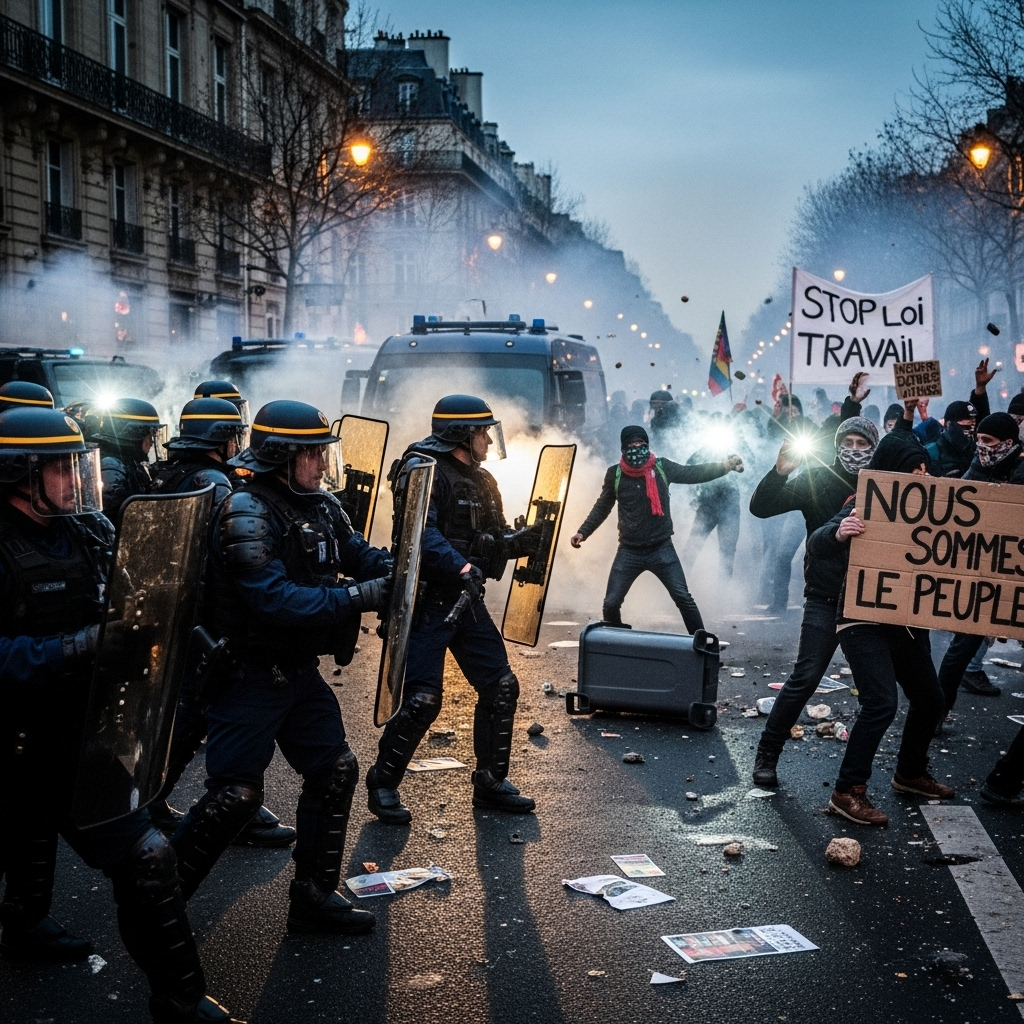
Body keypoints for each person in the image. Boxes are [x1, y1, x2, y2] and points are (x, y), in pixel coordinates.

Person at [0, 406, 239, 1022]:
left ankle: (180, 1001)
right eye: (60, 467)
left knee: (148, 858)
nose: (77, 478)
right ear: (20, 474)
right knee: (24, 834)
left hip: (80, 733)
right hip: (13, 740)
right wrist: (74, 645)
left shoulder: (83, 529)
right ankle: (23, 926)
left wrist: (177, 631)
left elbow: (137, 586)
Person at [171, 401, 391, 935]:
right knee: (235, 796)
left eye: (323, 452)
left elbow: (361, 555)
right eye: (312, 453)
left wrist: (400, 569)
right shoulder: (246, 510)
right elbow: (274, 600)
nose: (321, 464)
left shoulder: (320, 506)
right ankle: (158, 902)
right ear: (281, 456)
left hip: (297, 673)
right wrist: (361, 596)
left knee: (335, 770)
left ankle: (312, 896)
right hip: (248, 675)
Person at [365, 396, 544, 826]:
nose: (487, 439)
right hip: (427, 603)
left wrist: (522, 541)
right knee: (423, 700)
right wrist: (462, 566)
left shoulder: (482, 481)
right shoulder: (422, 470)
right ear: (461, 434)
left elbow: (490, 539)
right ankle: (383, 782)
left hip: (465, 601)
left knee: (501, 685)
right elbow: (419, 536)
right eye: (482, 431)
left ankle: (490, 783)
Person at [147, 399, 296, 848]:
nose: (238, 443)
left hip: (180, 612)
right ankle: (230, 811)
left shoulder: (171, 474)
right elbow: (229, 554)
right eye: (233, 434)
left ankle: (149, 800)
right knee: (204, 714)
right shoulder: (214, 484)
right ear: (219, 438)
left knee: (192, 715)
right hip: (208, 616)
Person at [807, 421, 951, 826]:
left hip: (903, 621)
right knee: (881, 703)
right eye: (913, 471)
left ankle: (910, 773)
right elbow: (816, 541)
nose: (921, 477)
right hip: (861, 619)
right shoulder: (866, 500)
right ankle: (846, 792)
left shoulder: (936, 506)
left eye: (924, 470)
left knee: (930, 698)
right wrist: (840, 531)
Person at [749, 414, 879, 787]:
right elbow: (762, 507)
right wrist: (779, 471)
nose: (855, 451)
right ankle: (768, 752)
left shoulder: (887, 484)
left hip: (872, 599)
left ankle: (900, 769)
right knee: (805, 677)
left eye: (863, 444)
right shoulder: (817, 478)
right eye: (848, 444)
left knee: (880, 692)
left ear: (874, 447)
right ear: (838, 446)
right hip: (825, 594)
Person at [571, 424, 742, 632]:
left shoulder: (662, 468)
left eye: (641, 443)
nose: (636, 448)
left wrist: (725, 466)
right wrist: (583, 531)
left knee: (683, 598)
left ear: (647, 445)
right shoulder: (614, 474)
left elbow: (694, 473)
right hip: (629, 551)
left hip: (661, 548)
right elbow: (602, 507)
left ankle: (702, 648)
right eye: (632, 444)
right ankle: (617, 644)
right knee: (611, 603)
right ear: (623, 448)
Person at [934, 412, 1024, 708]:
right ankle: (936, 713)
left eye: (988, 440)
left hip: (1014, 576)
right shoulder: (978, 465)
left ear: (1008, 443)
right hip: (983, 578)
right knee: (961, 650)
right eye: (978, 439)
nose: (980, 446)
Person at [84, 397, 165, 521]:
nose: (152, 442)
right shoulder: (111, 467)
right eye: (149, 435)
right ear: (134, 434)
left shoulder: (126, 461)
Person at [920, 358, 996, 478]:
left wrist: (980, 388)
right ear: (949, 425)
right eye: (965, 427)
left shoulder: (978, 452)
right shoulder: (931, 453)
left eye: (972, 428)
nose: (970, 432)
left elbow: (984, 425)